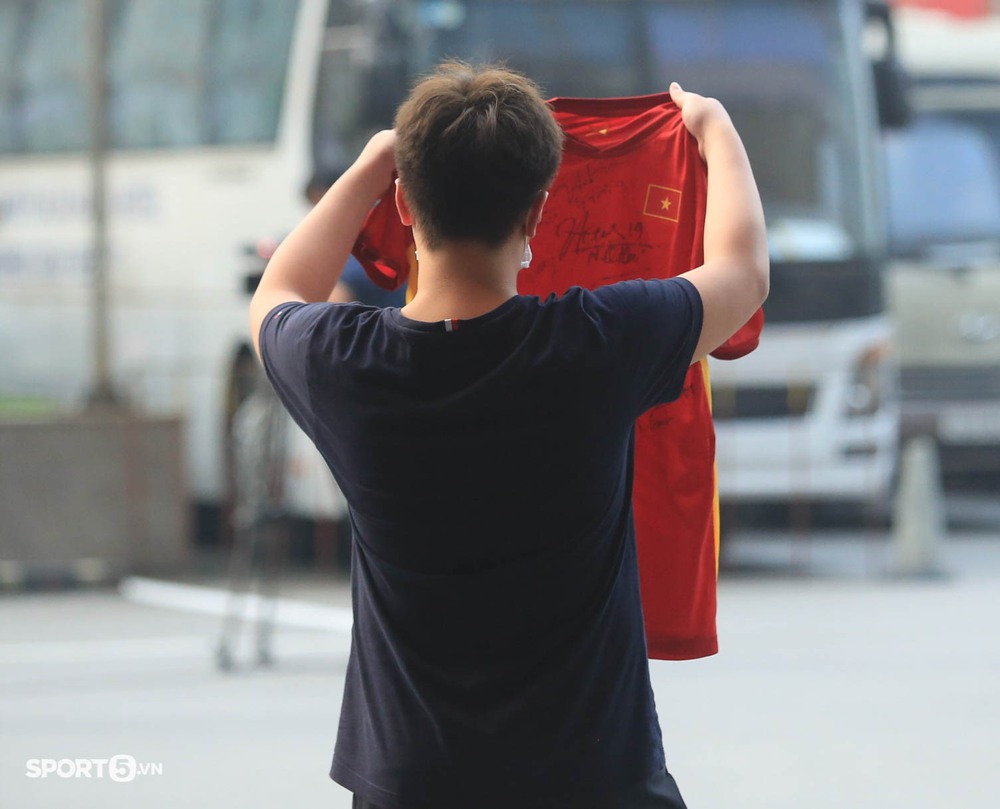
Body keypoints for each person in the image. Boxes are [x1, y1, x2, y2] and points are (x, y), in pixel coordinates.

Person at [250, 62, 767, 809]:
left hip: (413, 783)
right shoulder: (596, 343)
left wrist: (372, 162)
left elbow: (278, 291)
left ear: (403, 199)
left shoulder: (345, 364)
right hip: (597, 779)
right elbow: (743, 272)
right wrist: (715, 131)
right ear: (535, 215)